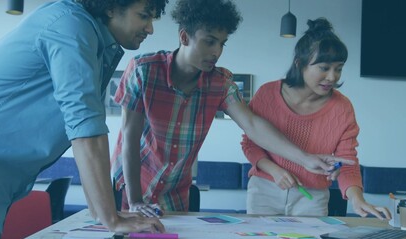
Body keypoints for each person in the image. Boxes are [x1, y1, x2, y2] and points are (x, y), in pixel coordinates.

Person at [110, 0, 353, 218]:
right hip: (129, 188)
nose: (217, 52)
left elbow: (253, 125)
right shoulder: (143, 70)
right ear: (184, 37)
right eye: (209, 42)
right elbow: (129, 140)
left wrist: (306, 159)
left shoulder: (221, 82)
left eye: (222, 43)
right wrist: (135, 201)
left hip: (175, 193)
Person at [0, 0, 169, 236]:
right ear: (111, 6)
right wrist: (111, 219)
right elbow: (86, 128)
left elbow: (86, 132)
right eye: (143, 16)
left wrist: (101, 213)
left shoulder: (91, 38)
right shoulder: (71, 26)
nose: (150, 28)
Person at [241, 18, 392, 220]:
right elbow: (250, 143)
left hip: (312, 197)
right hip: (265, 188)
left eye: (338, 68)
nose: (332, 77)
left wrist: (357, 199)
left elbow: (347, 161)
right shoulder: (267, 94)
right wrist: (275, 170)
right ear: (300, 64)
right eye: (324, 68)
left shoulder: (342, 108)